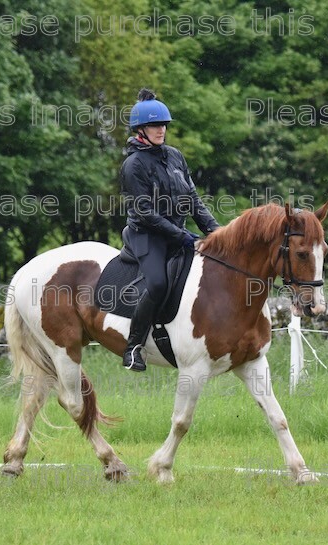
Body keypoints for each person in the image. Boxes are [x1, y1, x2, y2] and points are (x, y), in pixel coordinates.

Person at [119, 88, 221, 371]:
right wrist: (186, 237)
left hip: (177, 233)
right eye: (154, 125)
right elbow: (145, 213)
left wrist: (217, 232)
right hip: (146, 236)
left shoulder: (175, 156)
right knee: (158, 283)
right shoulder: (133, 165)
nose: (161, 129)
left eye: (163, 124)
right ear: (141, 129)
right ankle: (134, 346)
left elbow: (193, 200)